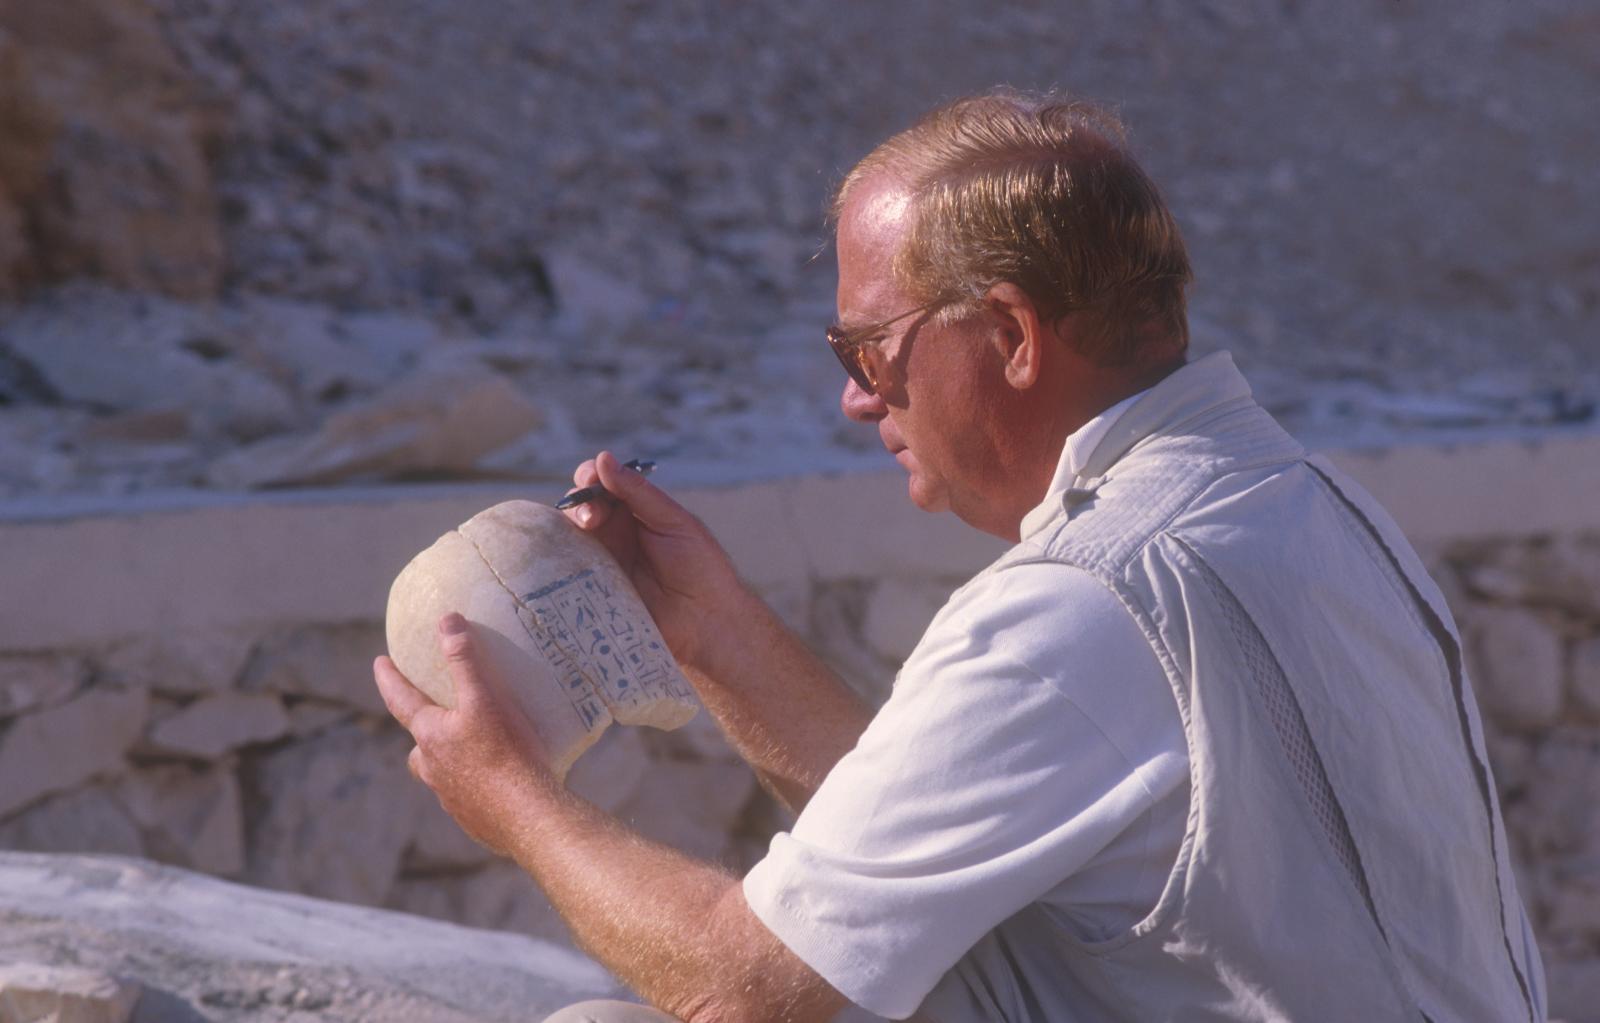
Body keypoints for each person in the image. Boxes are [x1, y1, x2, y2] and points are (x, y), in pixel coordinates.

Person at [374, 89, 1547, 1022]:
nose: (851, 398)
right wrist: (710, 632)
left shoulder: (1083, 604)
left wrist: (512, 799)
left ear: (1011, 336)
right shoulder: (1305, 502)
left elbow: (746, 990)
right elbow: (905, 854)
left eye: (866, 348)